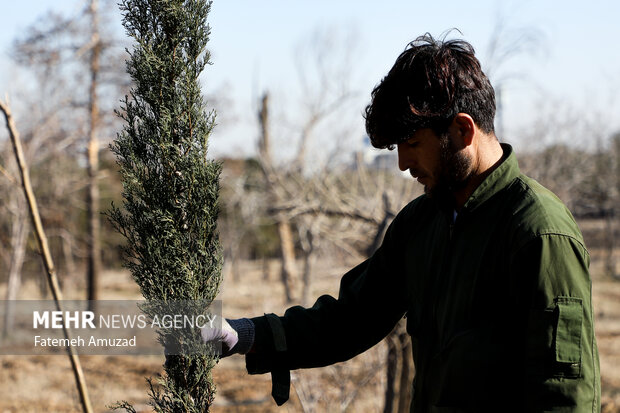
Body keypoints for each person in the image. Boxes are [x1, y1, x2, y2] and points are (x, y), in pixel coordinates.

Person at [204, 34, 601, 412]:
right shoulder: (420, 224)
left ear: (462, 129)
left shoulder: (539, 233)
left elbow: (565, 396)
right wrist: (246, 334)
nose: (402, 164)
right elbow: (351, 319)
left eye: (412, 144)